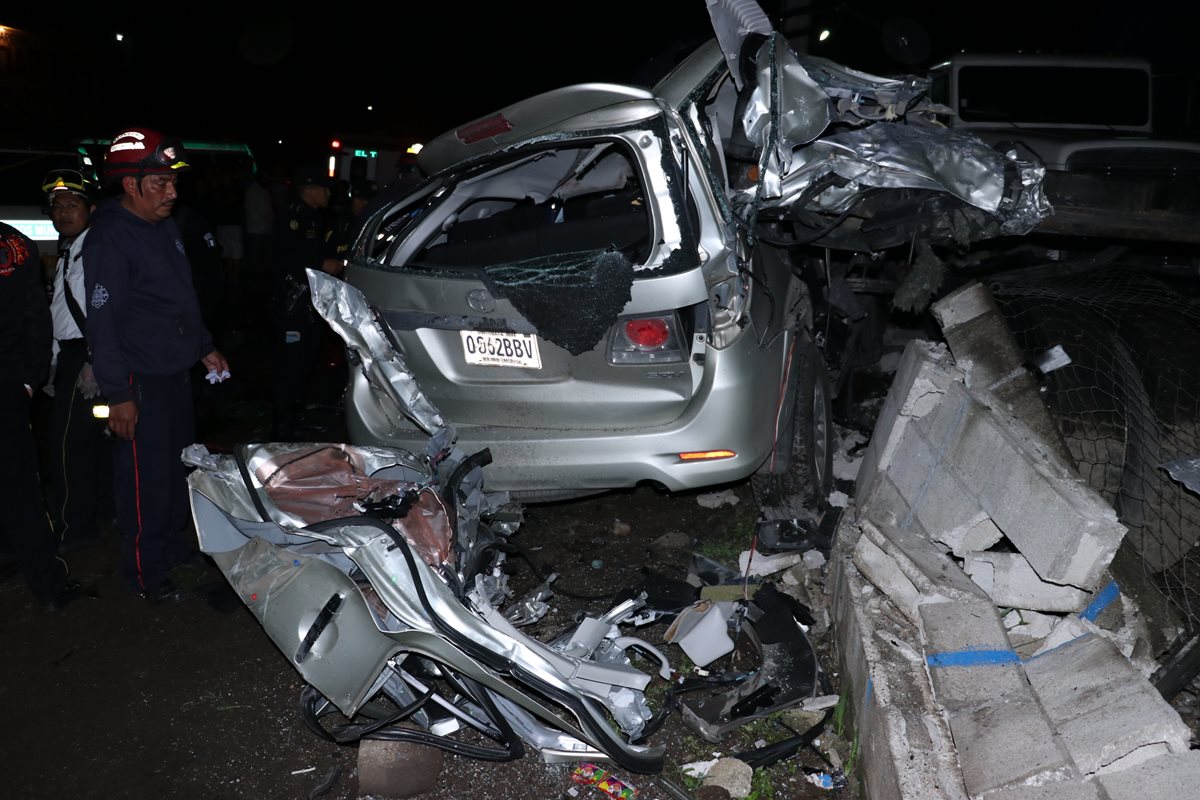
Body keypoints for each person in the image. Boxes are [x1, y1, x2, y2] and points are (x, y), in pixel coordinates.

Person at [82, 128, 230, 605]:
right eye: (160, 183)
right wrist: (118, 394)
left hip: (174, 374)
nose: (172, 192)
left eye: (173, 182)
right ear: (130, 184)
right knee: (143, 478)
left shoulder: (164, 226)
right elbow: (103, 325)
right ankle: (145, 572)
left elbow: (178, 297)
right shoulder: (110, 239)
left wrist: (203, 345)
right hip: (139, 379)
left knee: (177, 467)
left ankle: (171, 547)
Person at [0, 219, 81, 611]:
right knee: (20, 489)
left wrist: (28, 382)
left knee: (20, 488)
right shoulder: (14, 244)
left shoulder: (12, 246)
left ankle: (47, 584)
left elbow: (34, 314)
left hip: (6, 386)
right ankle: (44, 582)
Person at [41, 168, 114, 552]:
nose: (63, 213)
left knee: (67, 447)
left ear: (92, 208)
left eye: (72, 205)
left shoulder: (95, 249)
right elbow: (60, 309)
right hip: (75, 358)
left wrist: (92, 358)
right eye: (57, 207)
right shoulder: (71, 248)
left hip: (87, 360)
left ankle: (74, 527)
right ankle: (100, 514)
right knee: (95, 442)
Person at [270, 165, 342, 440]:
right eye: (323, 188)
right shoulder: (294, 217)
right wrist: (323, 264)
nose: (327, 193)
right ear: (310, 189)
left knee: (305, 361)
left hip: (307, 304)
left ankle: (296, 419)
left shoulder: (313, 217)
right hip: (292, 304)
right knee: (290, 364)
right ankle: (282, 428)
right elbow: (287, 259)